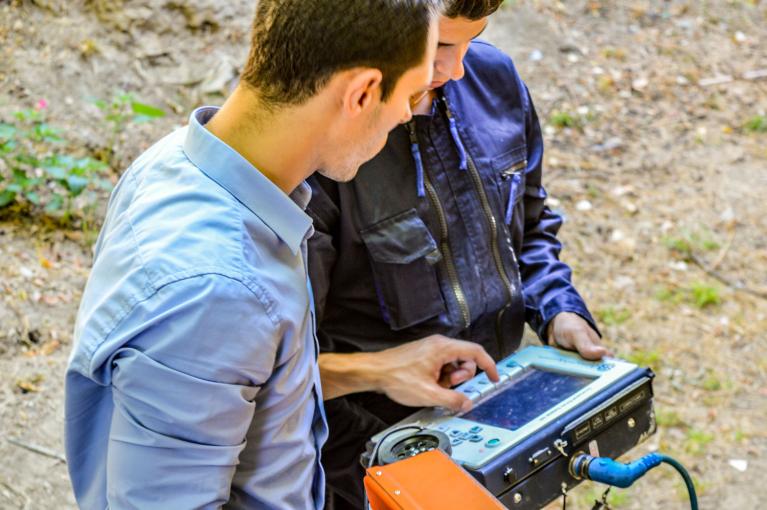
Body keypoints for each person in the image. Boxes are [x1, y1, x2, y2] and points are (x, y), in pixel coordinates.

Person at [61, 2, 488, 509]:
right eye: (412, 93)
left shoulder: (179, 163)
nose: (405, 114)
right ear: (363, 92)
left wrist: (373, 371)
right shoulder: (218, 289)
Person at [307, 1, 610, 508]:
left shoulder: (494, 80)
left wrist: (559, 309)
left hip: (504, 417)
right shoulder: (329, 145)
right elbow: (286, 367)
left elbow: (530, 229)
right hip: (374, 454)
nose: (459, 69)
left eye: (474, 40)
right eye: (441, 46)